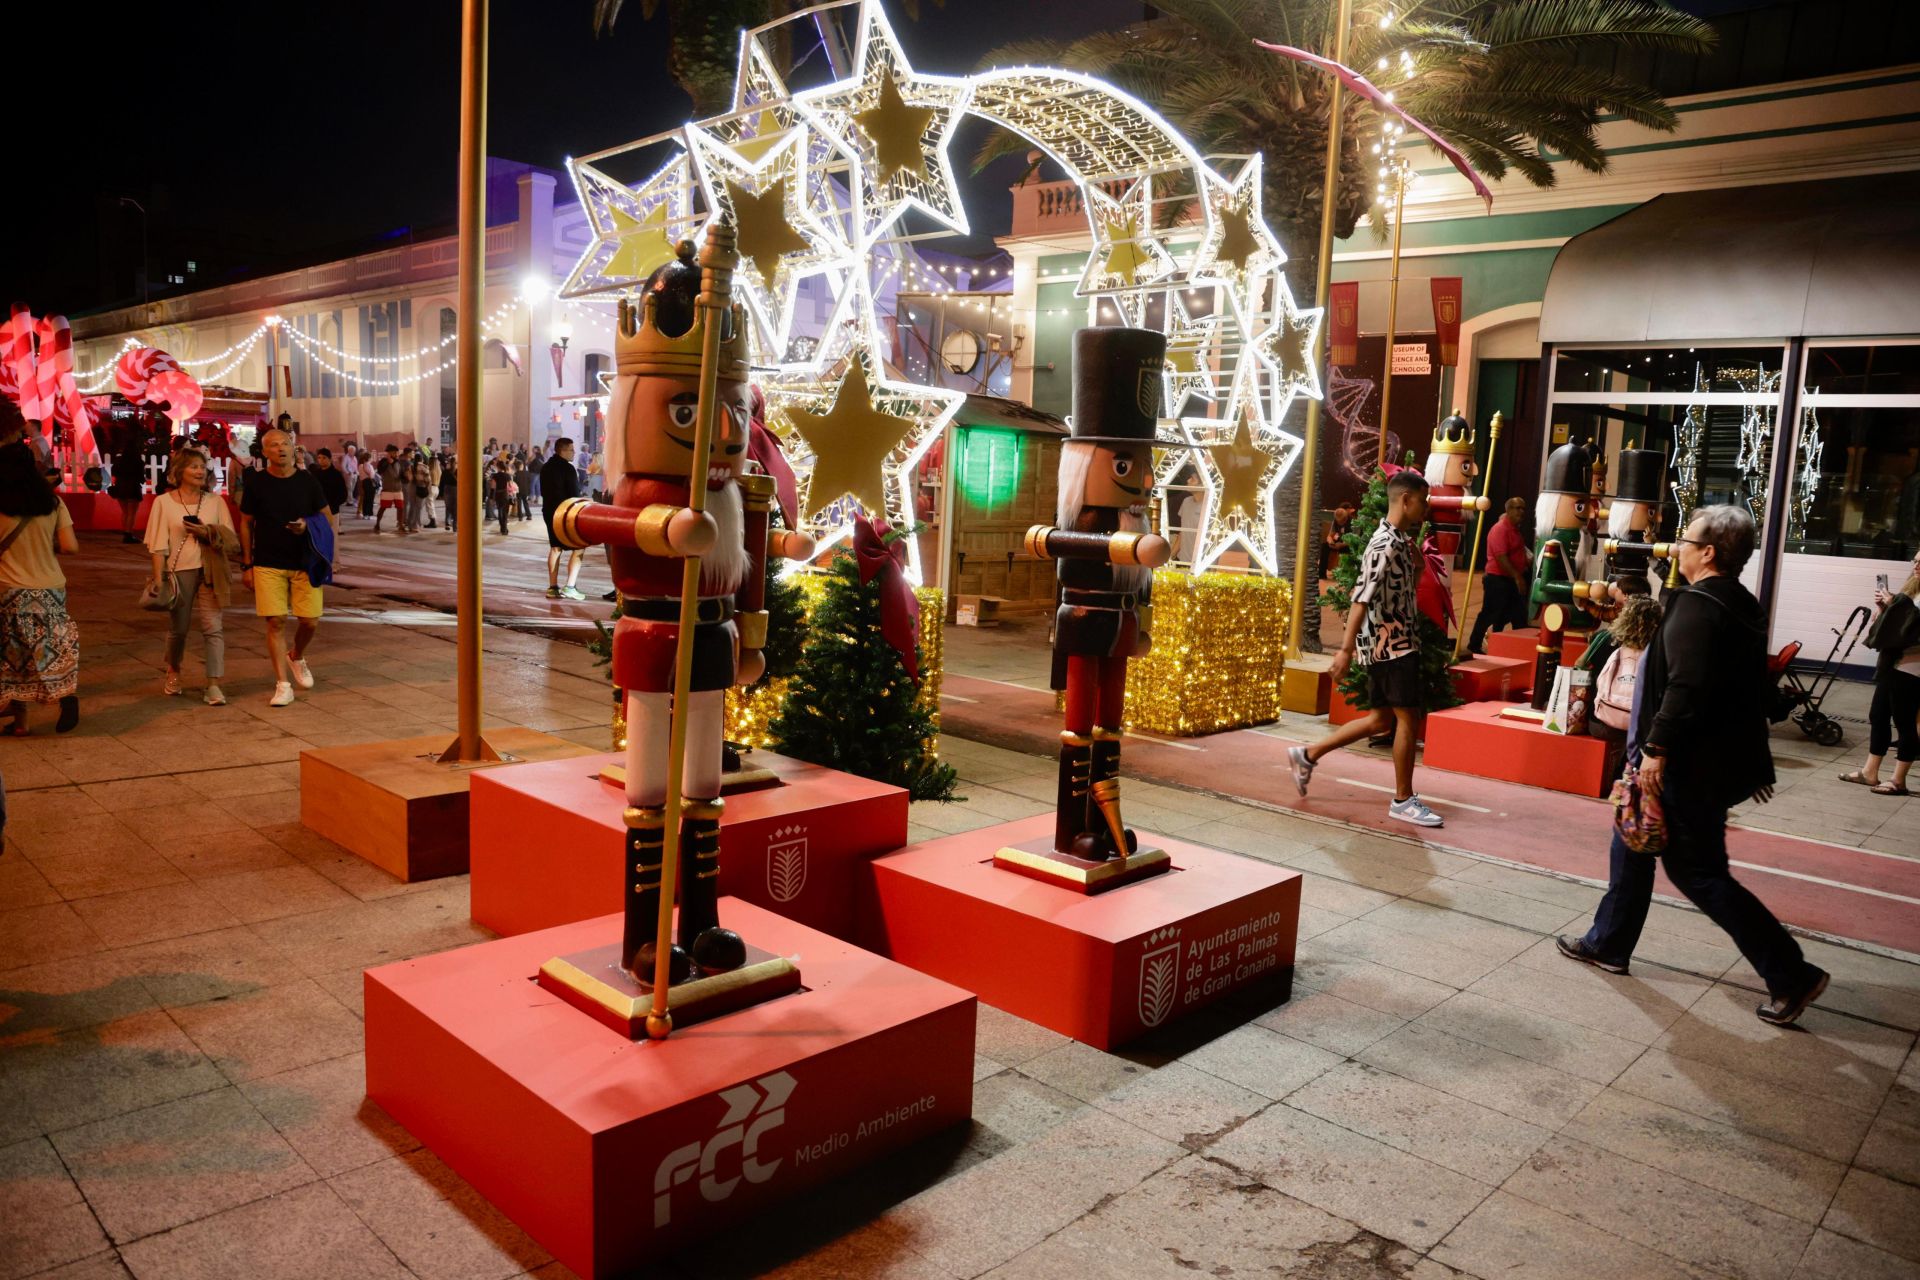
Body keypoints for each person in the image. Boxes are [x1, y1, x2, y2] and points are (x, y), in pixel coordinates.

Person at [1559, 505, 1829, 1025]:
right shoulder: (1738, 604)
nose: (1675, 547)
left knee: (1699, 873)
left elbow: (1686, 685)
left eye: (1686, 540)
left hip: (1683, 763)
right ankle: (1608, 943)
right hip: (1699, 760)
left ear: (1708, 552)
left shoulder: (1699, 607)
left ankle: (1792, 975)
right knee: (1632, 839)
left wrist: (1656, 750)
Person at [1288, 470, 1443, 828]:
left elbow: (1403, 591)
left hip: (1398, 643)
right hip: (1392, 647)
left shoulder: (1400, 541)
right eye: (1423, 501)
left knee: (1380, 719)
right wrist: (1343, 650)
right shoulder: (1383, 545)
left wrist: (1417, 565)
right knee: (1407, 717)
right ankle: (1403, 799)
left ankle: (1307, 755)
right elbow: (1360, 597)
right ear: (1405, 500)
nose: (1426, 508)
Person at [239, 427, 329, 707]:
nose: (281, 448)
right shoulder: (257, 483)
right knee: (275, 621)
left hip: (305, 561)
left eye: (285, 443)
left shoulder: (308, 481)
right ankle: (282, 684)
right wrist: (247, 563)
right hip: (268, 561)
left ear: (294, 448)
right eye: (274, 445)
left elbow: (326, 517)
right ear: (264, 452)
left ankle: (297, 655)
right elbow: (245, 522)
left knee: (310, 621)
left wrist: (309, 528)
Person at [145, 447, 236, 706]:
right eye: (193, 466)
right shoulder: (163, 502)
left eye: (202, 466)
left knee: (213, 628)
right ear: (178, 471)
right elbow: (157, 545)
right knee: (178, 629)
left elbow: (231, 539)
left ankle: (214, 684)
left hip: (211, 570)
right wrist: (159, 578)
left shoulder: (215, 501)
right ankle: (173, 670)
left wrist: (207, 531)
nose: (199, 471)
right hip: (179, 571)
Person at [0, 443, 80, 734]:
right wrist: (45, 545)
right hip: (52, 587)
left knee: (12, 658)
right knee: (52, 646)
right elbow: (71, 547)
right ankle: (62, 697)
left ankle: (21, 717)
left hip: (10, 590)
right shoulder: (54, 503)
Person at [1842, 548, 1920, 795]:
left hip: (1912, 668)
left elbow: (1912, 627)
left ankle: (1898, 780)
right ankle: (1870, 772)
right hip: (1895, 663)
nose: (1916, 565)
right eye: (1915, 560)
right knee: (1878, 715)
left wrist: (1894, 604)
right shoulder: (1913, 590)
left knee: (1905, 723)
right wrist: (1885, 606)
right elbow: (1897, 624)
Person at [1589, 592, 1661, 791]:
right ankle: (1628, 775)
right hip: (1641, 728)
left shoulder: (1605, 641)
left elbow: (1594, 679)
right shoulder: (1659, 654)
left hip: (1604, 721)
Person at [1467, 496, 1533, 653]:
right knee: (1490, 614)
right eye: (1518, 508)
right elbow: (1500, 557)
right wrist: (1518, 577)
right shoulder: (1500, 529)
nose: (1521, 512)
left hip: (1510, 580)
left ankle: (1519, 649)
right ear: (1508, 510)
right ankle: (1474, 645)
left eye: (1523, 508)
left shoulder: (1515, 530)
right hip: (1497, 580)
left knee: (1517, 615)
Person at [541, 438, 586, 599]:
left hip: (549, 512)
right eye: (571, 450)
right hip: (565, 513)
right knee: (579, 546)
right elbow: (574, 494)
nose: (574, 453)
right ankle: (570, 586)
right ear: (562, 450)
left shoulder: (545, 467)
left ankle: (552, 587)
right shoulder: (568, 469)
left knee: (555, 548)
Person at [110, 421, 147, 544]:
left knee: (125, 512)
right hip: (132, 486)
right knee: (132, 512)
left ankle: (125, 532)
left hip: (120, 486)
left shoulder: (120, 459)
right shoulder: (137, 459)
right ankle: (128, 533)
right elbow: (141, 475)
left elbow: (114, 471)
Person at [374, 444, 405, 532]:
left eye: (396, 452)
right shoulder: (383, 461)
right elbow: (380, 471)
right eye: (394, 452)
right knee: (383, 507)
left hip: (398, 489)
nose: (396, 454)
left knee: (400, 508)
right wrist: (388, 462)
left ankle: (401, 524)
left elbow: (401, 474)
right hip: (387, 489)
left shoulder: (398, 462)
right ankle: (377, 524)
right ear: (389, 452)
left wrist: (406, 476)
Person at [312, 448, 349, 520]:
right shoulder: (315, 474)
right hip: (317, 511)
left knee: (332, 531)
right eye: (319, 458)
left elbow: (343, 494)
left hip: (333, 511)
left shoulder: (336, 474)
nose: (321, 460)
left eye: (324, 458)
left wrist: (332, 505)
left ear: (329, 459)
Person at [490, 455, 513, 536]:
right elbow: (511, 486)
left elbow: (493, 487)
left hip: (498, 494)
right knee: (505, 512)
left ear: (498, 467)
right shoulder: (508, 475)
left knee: (500, 511)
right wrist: (512, 495)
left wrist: (491, 498)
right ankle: (505, 529)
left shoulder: (495, 476)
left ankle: (502, 528)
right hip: (505, 494)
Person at [439, 452, 459, 533]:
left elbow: (442, 482)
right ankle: (454, 526)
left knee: (448, 507)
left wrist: (440, 493)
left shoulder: (445, 472)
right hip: (455, 490)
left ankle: (447, 523)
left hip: (447, 489)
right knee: (455, 508)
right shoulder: (458, 472)